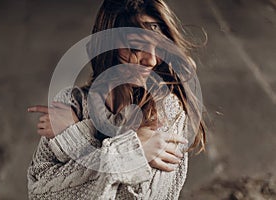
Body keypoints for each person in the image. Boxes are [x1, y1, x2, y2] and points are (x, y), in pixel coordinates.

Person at [27, 0, 206, 199]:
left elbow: (133, 196)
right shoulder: (72, 103)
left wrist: (74, 135)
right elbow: (38, 191)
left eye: (158, 48)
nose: (152, 61)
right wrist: (134, 153)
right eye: (137, 48)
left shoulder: (166, 110)